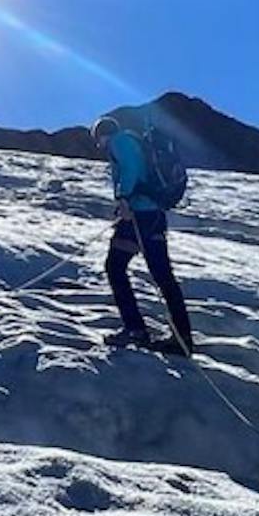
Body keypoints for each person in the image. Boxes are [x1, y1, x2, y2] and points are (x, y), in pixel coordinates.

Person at [92, 115, 194, 354]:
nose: (100, 146)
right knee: (162, 275)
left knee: (115, 267)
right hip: (153, 216)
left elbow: (131, 167)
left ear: (103, 135)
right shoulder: (134, 141)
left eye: (99, 140)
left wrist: (124, 197)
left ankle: (136, 329)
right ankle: (182, 337)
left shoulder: (120, 142)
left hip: (140, 216)